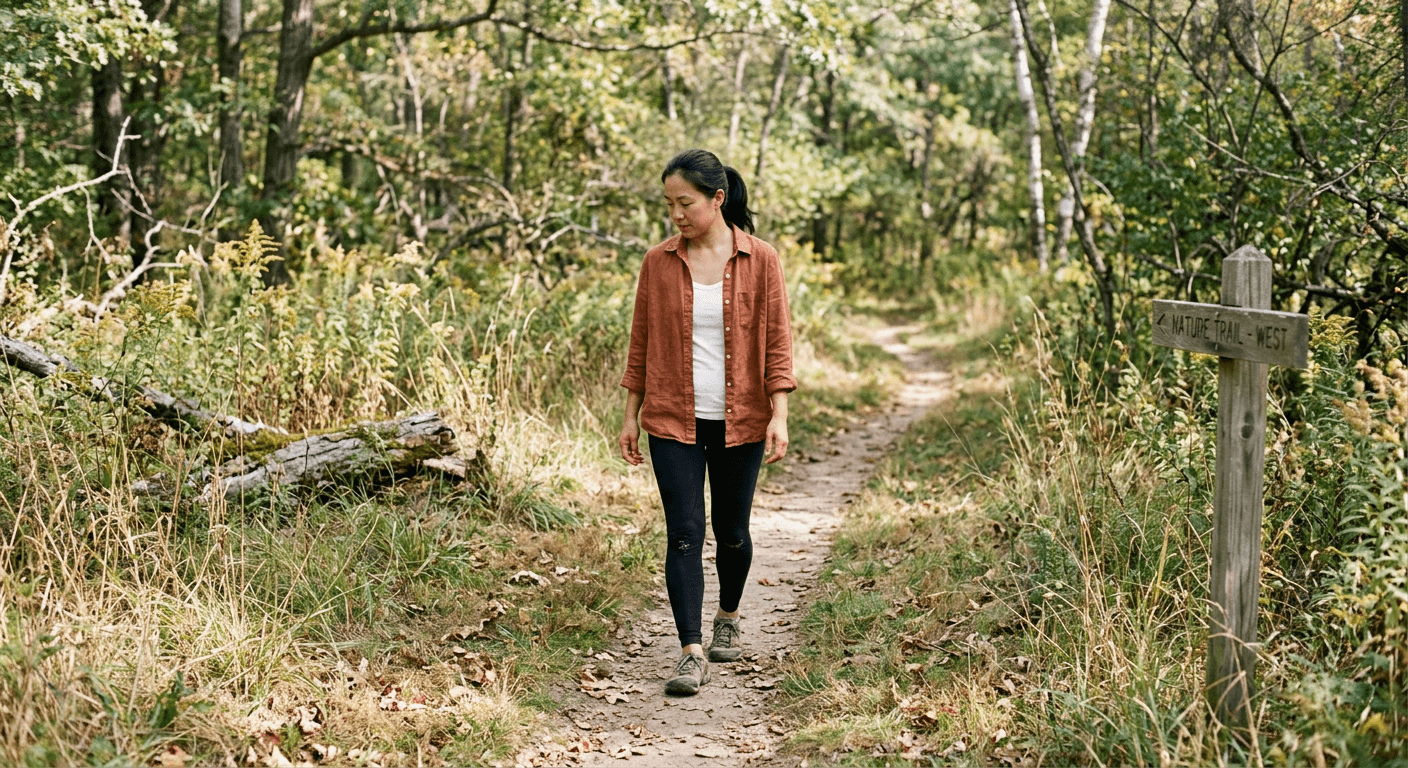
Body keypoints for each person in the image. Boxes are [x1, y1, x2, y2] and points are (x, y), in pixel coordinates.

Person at [619, 148, 796, 696]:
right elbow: (641, 343)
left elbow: (778, 342)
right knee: (684, 534)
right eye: (668, 204)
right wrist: (629, 417)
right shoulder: (657, 262)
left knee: (733, 533)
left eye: (686, 203)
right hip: (672, 418)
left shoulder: (761, 259)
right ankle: (690, 652)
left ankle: (728, 616)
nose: (676, 214)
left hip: (742, 419)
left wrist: (780, 413)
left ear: (717, 199)